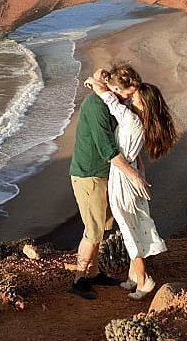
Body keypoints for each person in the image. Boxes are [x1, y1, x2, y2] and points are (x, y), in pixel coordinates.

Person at [83, 63, 178, 300]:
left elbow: (110, 100)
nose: (128, 99)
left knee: (128, 228)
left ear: (143, 104)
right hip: (131, 173)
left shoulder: (132, 121)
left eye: (133, 98)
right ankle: (133, 277)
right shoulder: (139, 119)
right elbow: (117, 100)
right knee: (133, 224)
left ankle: (144, 280)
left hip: (124, 177)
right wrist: (102, 77)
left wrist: (97, 84)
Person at [68, 64, 151, 300]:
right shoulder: (97, 107)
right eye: (126, 94)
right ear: (115, 88)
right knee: (92, 231)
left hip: (104, 174)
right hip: (89, 175)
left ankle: (93, 273)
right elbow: (108, 150)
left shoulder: (108, 100)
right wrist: (135, 175)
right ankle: (78, 279)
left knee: (102, 227)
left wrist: (98, 79)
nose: (128, 99)